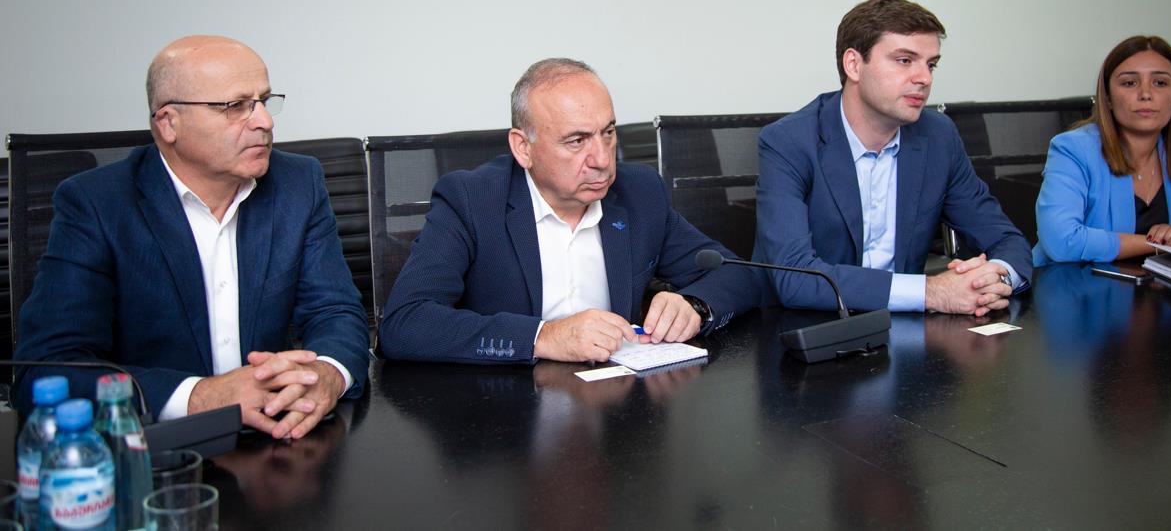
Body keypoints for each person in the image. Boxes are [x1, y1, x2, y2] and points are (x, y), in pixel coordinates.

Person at [14, 36, 370, 440]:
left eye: (264, 101)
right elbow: (48, 367)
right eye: (236, 106)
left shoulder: (298, 183)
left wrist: (325, 374)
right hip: (153, 450)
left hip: (280, 438)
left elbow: (335, 312)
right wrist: (200, 397)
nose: (265, 122)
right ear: (169, 123)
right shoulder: (96, 203)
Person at [378, 58, 764, 364]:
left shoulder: (638, 192)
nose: (602, 160)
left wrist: (694, 306)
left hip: (620, 412)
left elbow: (739, 274)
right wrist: (544, 337)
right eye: (577, 141)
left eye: (607, 133)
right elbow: (404, 323)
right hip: (506, 415)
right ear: (523, 148)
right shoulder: (471, 200)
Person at [754, 0, 1032, 317]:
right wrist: (932, 292)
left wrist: (995, 279)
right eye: (904, 60)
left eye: (931, 64)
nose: (924, 78)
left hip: (902, 329)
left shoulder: (938, 137)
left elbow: (1007, 240)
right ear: (854, 65)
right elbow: (795, 277)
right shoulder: (789, 142)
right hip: (804, 328)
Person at [1033, 36, 1171, 265]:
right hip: (1075, 283)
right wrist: (1159, 245)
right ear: (1108, 98)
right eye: (1129, 83)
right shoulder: (1073, 149)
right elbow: (1061, 241)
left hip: (1162, 282)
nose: (1145, 94)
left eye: (1160, 83)